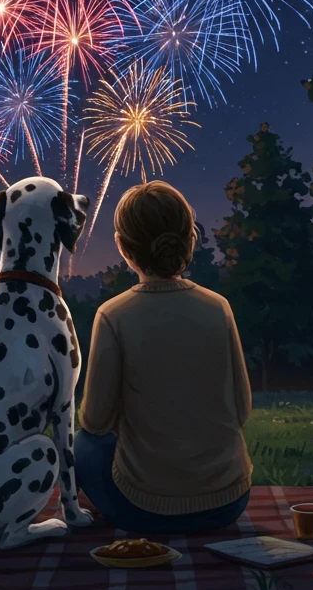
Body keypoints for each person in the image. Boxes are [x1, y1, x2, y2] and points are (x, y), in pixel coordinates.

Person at [75, 180, 253, 534]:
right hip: (229, 501)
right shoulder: (219, 308)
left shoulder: (113, 315)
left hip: (145, 509)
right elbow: (242, 408)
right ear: (190, 238)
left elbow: (94, 422)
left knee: (82, 443)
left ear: (123, 248)